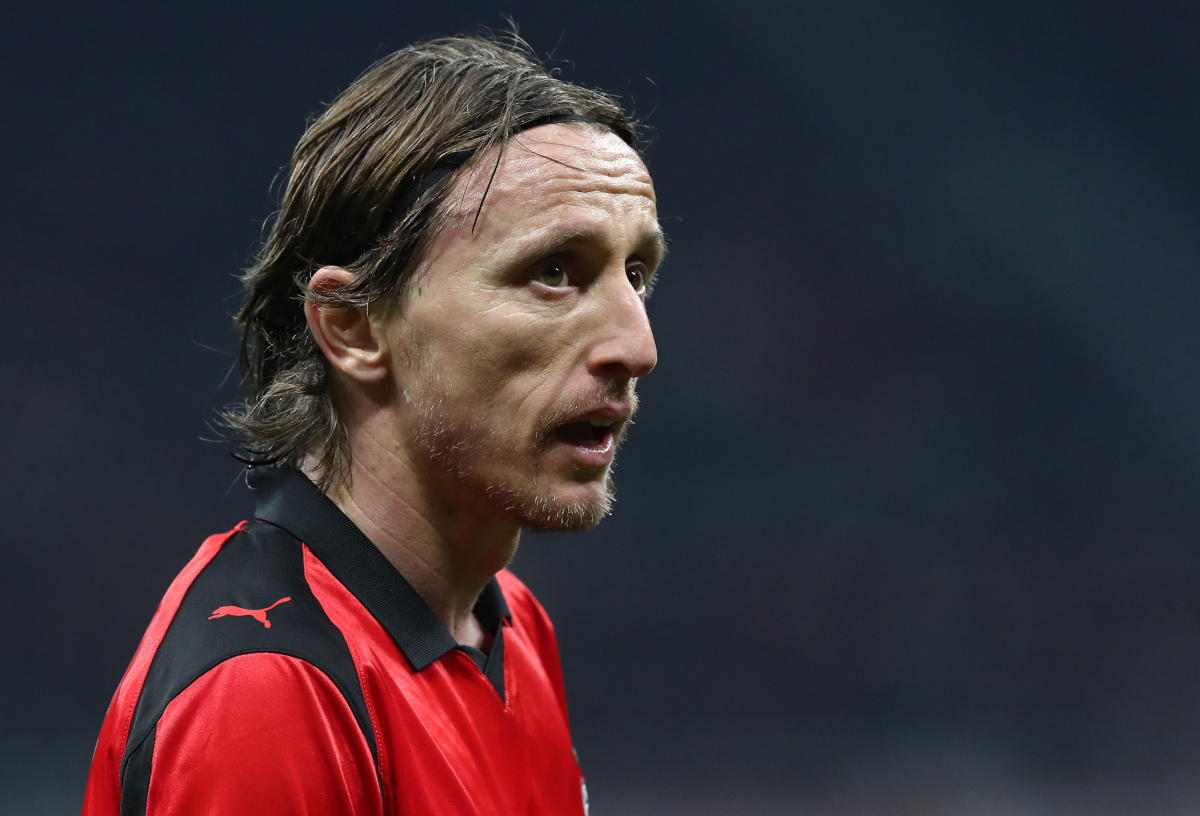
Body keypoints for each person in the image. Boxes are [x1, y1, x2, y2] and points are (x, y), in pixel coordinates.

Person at [81, 34, 664, 816]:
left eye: (637, 275)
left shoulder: (510, 622)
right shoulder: (266, 694)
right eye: (553, 272)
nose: (637, 347)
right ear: (354, 328)